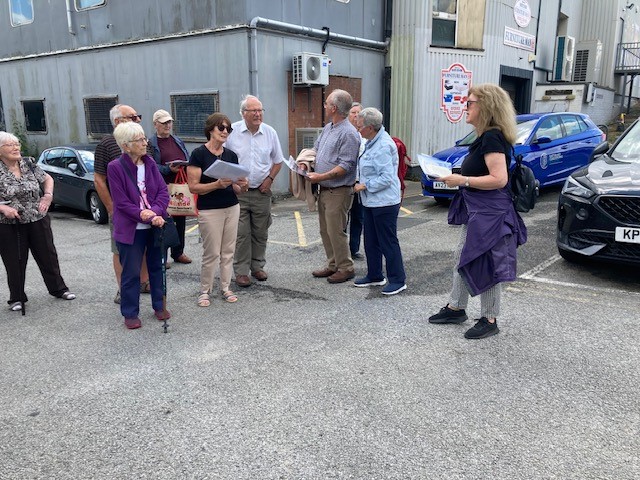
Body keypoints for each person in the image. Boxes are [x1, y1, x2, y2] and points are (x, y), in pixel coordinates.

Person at [427, 84, 527, 339]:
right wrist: (457, 176)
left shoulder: (493, 137)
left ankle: (489, 319)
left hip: (491, 213)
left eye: (470, 103)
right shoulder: (484, 138)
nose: (465, 107)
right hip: (478, 211)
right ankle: (456, 307)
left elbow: (499, 179)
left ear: (486, 107)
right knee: (464, 256)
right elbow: (482, 172)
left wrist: (462, 181)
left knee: (487, 261)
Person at [0, 132, 76, 311]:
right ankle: (17, 298)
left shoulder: (28, 163)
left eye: (17, 144)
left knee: (48, 256)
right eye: (9, 145)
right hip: (9, 223)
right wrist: (3, 208)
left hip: (37, 218)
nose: (16, 147)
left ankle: (59, 289)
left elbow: (47, 178)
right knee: (15, 260)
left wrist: (48, 196)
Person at [107, 122, 170, 330]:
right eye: (140, 140)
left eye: (144, 138)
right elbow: (122, 202)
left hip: (154, 225)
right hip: (131, 228)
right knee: (131, 272)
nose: (145, 143)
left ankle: (159, 305)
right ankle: (130, 312)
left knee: (157, 268)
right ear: (126, 146)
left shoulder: (150, 163)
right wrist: (146, 216)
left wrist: (156, 213)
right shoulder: (115, 167)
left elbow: (162, 192)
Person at [187, 113, 248, 307]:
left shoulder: (231, 155)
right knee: (212, 252)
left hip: (231, 206)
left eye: (228, 129)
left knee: (228, 250)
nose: (225, 132)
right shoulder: (198, 154)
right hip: (209, 210)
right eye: (221, 128)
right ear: (210, 129)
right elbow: (193, 187)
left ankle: (225, 287)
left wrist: (243, 185)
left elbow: (235, 188)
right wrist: (216, 184)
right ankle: (205, 290)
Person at [224, 95, 283, 288]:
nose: (258, 114)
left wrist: (269, 179)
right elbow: (222, 159)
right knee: (241, 234)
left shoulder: (269, 132)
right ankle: (241, 271)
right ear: (243, 113)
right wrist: (233, 182)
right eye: (253, 111)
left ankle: (257, 266)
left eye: (260, 110)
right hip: (238, 193)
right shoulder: (231, 131)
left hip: (261, 191)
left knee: (260, 232)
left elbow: (278, 160)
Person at [94, 104, 150, 304]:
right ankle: (122, 289)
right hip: (122, 209)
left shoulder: (141, 140)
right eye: (132, 117)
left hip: (144, 209)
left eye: (138, 116)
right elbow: (99, 179)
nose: (138, 120)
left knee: (143, 246)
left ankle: (144, 281)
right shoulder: (107, 144)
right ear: (118, 121)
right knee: (120, 250)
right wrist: (111, 207)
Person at [305, 89, 361, 284]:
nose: (325, 106)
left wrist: (321, 175)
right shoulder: (329, 127)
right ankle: (333, 264)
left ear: (334, 108)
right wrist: (306, 162)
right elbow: (317, 149)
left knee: (336, 231)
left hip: (338, 191)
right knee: (325, 230)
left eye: (327, 103)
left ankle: (346, 267)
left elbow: (346, 166)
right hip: (324, 189)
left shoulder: (349, 134)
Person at [353, 108, 407, 295]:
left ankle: (398, 280)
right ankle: (375, 275)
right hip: (370, 202)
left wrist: (364, 186)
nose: (357, 129)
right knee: (371, 241)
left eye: (359, 126)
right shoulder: (370, 141)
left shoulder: (383, 146)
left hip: (384, 203)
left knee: (388, 241)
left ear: (369, 128)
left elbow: (387, 178)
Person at [148, 109, 192, 267]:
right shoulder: (150, 144)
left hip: (179, 186)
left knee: (180, 218)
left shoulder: (178, 140)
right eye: (164, 122)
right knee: (163, 220)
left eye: (169, 122)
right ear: (155, 125)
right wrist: (168, 170)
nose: (168, 125)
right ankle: (162, 256)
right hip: (162, 188)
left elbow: (187, 158)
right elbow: (150, 166)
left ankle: (178, 252)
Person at [347, 102, 366, 260]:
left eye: (358, 113)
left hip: (360, 183)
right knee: (341, 219)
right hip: (346, 183)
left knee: (358, 218)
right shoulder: (346, 134)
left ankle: (354, 249)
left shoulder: (365, 136)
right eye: (353, 112)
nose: (356, 116)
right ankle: (341, 250)